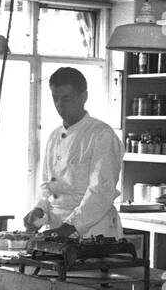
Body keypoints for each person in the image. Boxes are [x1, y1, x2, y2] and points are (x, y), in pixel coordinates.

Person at [24, 67, 123, 240]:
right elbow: (48, 185)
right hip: (56, 228)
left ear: (83, 97)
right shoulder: (54, 136)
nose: (60, 105)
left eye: (66, 99)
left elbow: (101, 190)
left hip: (91, 231)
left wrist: (71, 226)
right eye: (55, 98)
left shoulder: (101, 134)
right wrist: (39, 208)